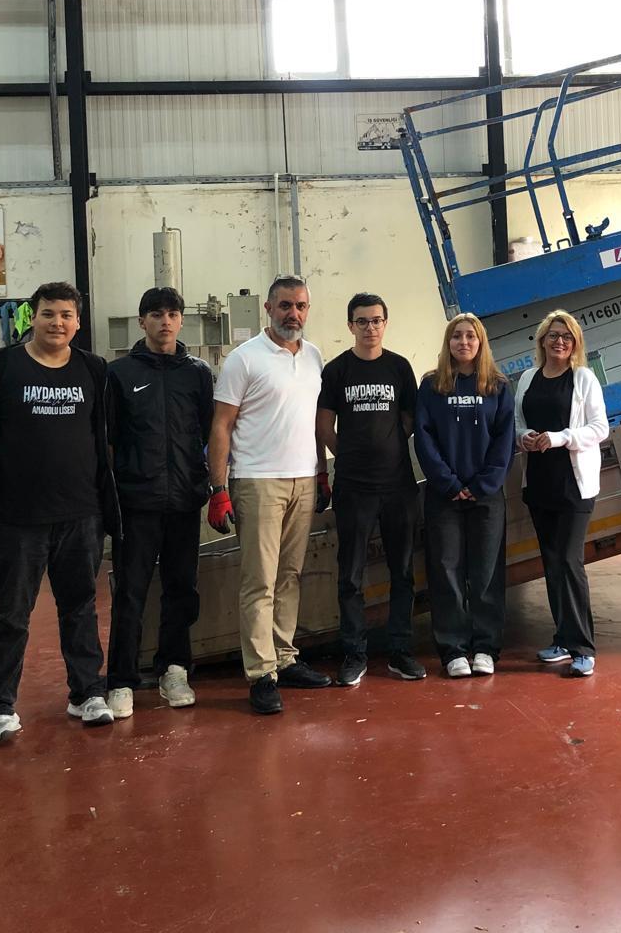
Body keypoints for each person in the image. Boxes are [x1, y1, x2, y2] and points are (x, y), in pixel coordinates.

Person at [0, 282, 120, 745]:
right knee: (11, 614)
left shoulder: (93, 369)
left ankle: (87, 692)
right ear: (32, 317)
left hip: (81, 514)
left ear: (78, 322)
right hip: (16, 518)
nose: (57, 323)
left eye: (66, 315)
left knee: (81, 608)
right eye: (48, 313)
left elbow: (103, 440)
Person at [208, 275, 334, 715]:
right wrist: (218, 488)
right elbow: (221, 425)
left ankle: (284, 657)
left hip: (303, 479)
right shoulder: (244, 359)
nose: (293, 314)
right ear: (267, 308)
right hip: (257, 481)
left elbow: (315, 422)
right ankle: (261, 673)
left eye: (300, 306)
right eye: (284, 306)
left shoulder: (315, 356)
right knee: (259, 580)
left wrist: (320, 472)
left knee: (290, 576)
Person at [104, 287, 215, 720]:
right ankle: (120, 681)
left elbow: (210, 433)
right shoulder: (119, 374)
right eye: (155, 314)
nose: (164, 321)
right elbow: (109, 442)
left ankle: (174, 669)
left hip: (185, 500)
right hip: (137, 502)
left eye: (172, 314)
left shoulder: (198, 373)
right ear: (142, 321)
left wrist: (211, 486)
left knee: (181, 589)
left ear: (181, 320)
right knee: (130, 592)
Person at [317, 293, 427, 686]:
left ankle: (400, 651)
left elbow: (410, 417)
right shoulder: (337, 371)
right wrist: (345, 454)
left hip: (398, 486)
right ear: (350, 325)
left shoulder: (399, 368)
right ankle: (354, 653)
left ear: (385, 323)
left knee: (402, 571)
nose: (370, 328)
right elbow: (324, 424)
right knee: (351, 575)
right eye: (362, 321)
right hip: (353, 488)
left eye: (376, 320)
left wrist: (391, 445)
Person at [414, 314, 516, 677]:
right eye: (456, 336)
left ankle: (486, 647)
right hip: (445, 496)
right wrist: (450, 484)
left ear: (481, 341)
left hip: (486, 496)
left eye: (470, 336)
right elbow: (423, 440)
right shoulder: (431, 386)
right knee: (446, 571)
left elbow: (505, 442)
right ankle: (453, 648)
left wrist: (482, 484)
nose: (463, 342)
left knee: (486, 571)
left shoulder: (499, 386)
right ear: (448, 343)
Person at [514, 310, 609, 678]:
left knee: (570, 562)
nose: (559, 341)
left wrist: (558, 438)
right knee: (552, 564)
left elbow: (599, 427)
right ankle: (562, 638)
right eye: (553, 335)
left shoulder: (583, 378)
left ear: (575, 344)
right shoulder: (527, 378)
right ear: (542, 340)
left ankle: (583, 647)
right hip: (539, 483)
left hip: (574, 486)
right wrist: (524, 438)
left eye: (566, 337)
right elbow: (518, 423)